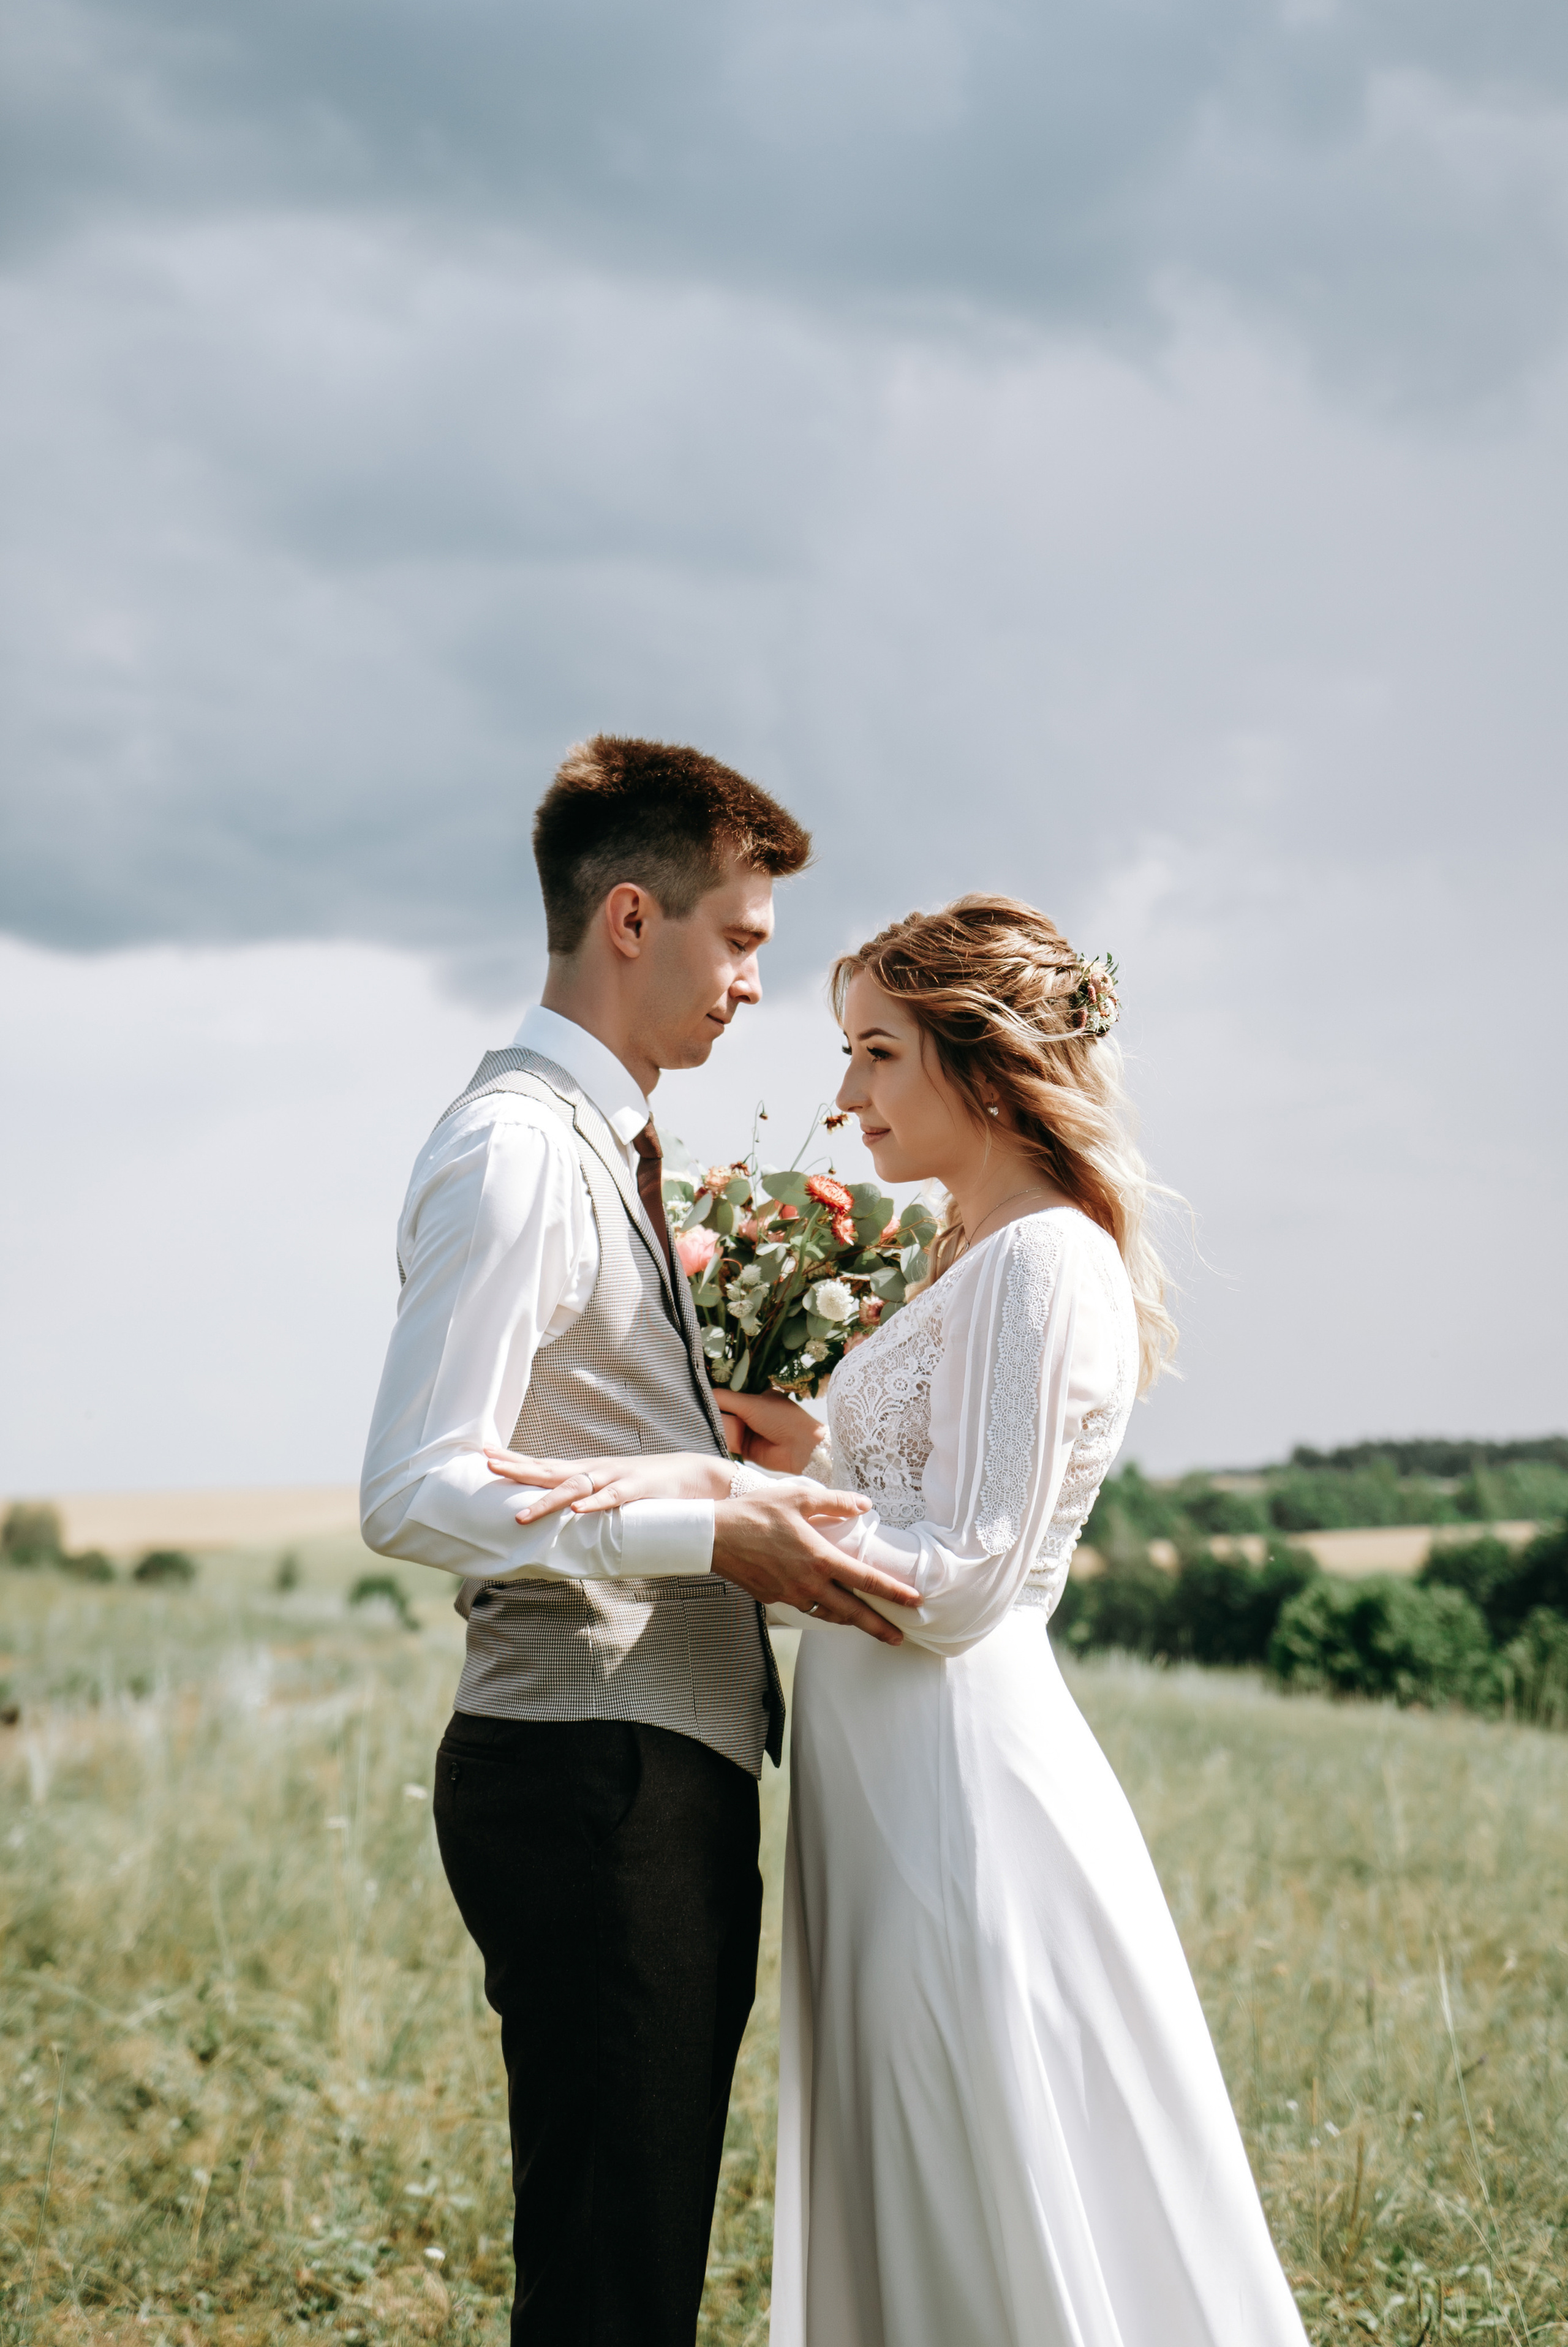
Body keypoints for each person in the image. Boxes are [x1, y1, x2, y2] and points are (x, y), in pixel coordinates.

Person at [492, 894, 1311, 2346]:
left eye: (876, 1052)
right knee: (919, 2159)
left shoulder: (1043, 1256)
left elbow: (969, 1574)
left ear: (981, 1064)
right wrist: (805, 1454)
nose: (843, 1092)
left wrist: (725, 1503)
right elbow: (925, 1502)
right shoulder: (971, 1247)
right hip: (884, 1780)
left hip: (955, 1786)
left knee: (976, 2155)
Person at [359, 736, 922, 2347]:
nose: (753, 982)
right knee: (612, 2285)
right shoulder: (520, 1152)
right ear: (629, 916)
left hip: (638, 1769)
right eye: (738, 938)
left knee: (633, 2260)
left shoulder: (596, 1140)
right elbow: (412, 1486)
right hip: (590, 1778)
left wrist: (729, 1482)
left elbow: (550, 1447)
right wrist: (705, 1534)